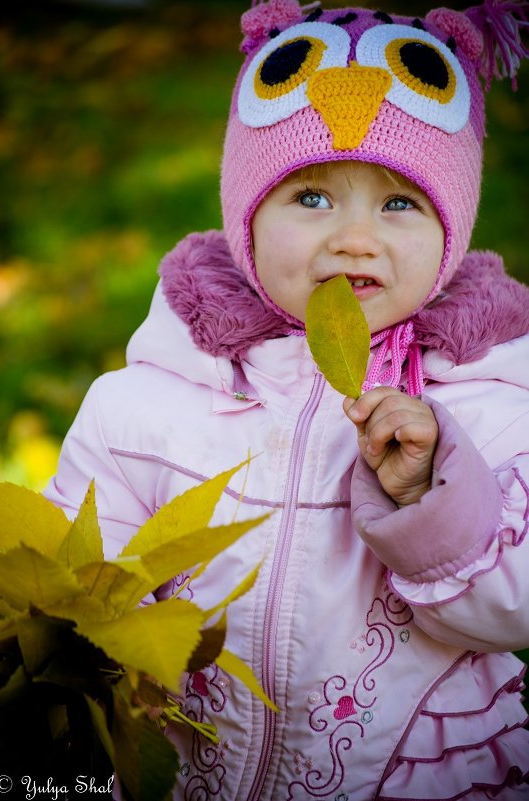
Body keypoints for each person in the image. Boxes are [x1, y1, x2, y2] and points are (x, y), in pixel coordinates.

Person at [44, 0, 529, 797]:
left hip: (409, 774)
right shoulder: (150, 399)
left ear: (453, 230)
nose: (353, 237)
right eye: (311, 198)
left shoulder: (485, 399)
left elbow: (511, 611)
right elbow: (79, 587)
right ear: (246, 218)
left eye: (398, 202)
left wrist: (430, 494)